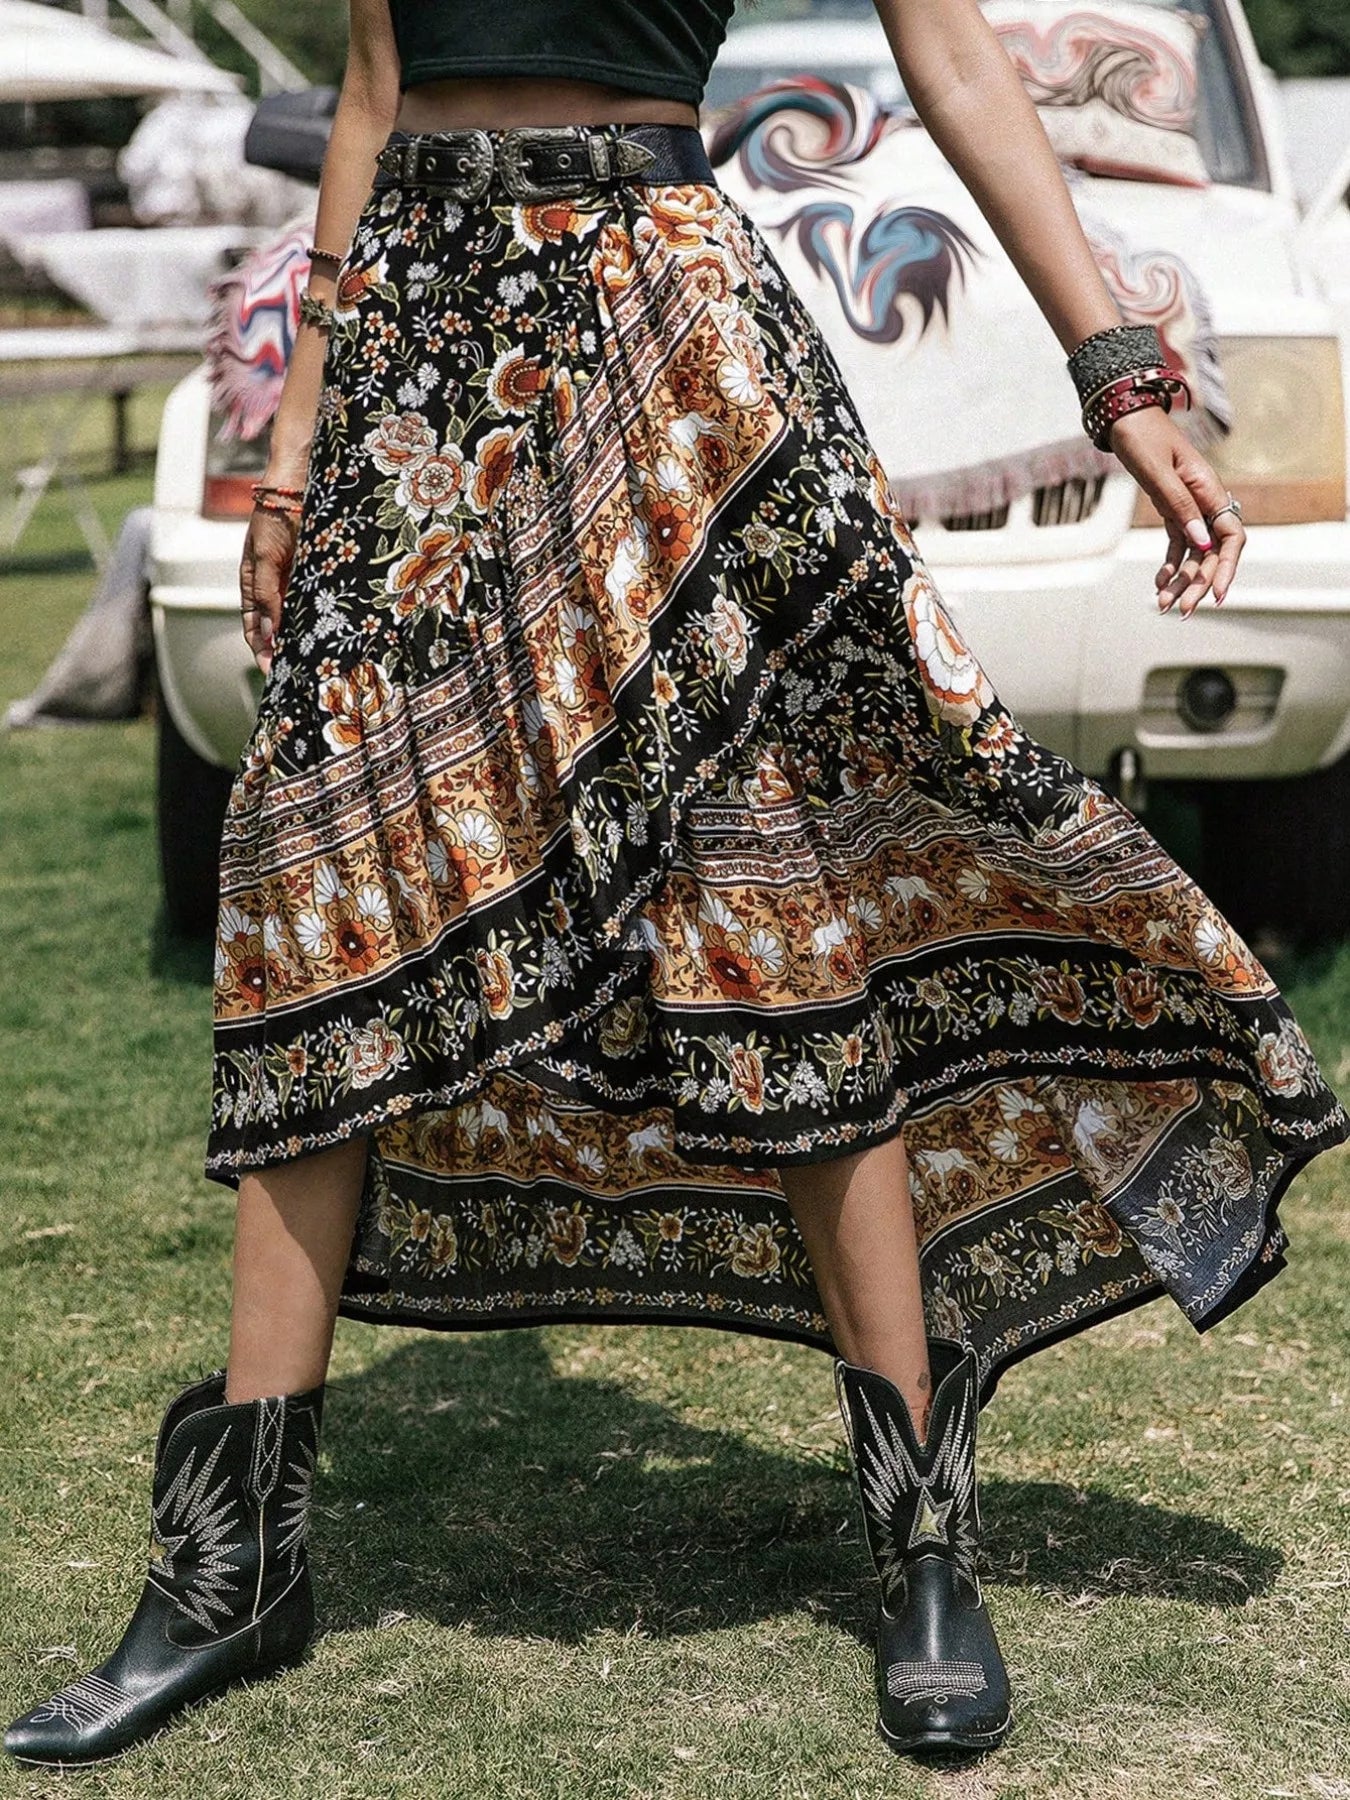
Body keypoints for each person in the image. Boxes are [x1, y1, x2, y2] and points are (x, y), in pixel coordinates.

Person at [9, 0, 1348, 1768]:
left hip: (661, 328)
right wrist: (290, 455)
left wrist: (1119, 374)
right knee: (320, 885)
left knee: (758, 897)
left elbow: (957, 66)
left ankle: (921, 1539)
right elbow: (371, 90)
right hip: (411, 342)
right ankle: (235, 1563)